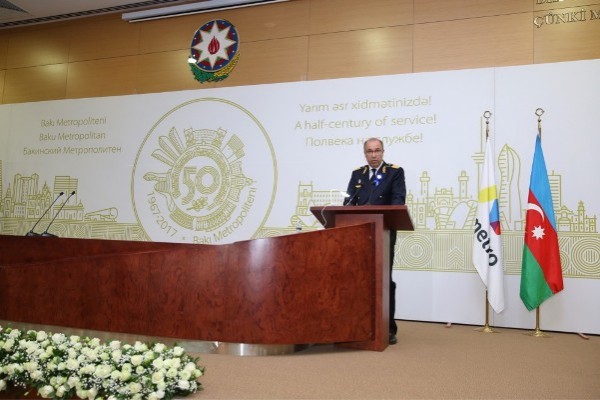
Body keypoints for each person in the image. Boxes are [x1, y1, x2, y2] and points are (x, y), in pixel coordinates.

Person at [343, 137, 406, 345]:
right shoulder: (357, 174)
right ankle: (359, 324)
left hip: (384, 233)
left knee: (384, 280)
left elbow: (398, 202)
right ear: (365, 153)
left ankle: (388, 328)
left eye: (377, 151)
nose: (373, 155)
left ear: (383, 152)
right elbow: (349, 202)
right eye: (369, 151)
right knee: (358, 280)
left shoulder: (395, 172)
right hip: (359, 235)